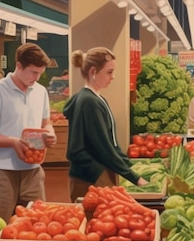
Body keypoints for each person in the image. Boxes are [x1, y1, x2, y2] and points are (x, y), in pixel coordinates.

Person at [0, 42, 57, 222]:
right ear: (19, 66)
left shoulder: (41, 92)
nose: (37, 78)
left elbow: (46, 123)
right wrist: (13, 142)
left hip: (33, 171)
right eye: (33, 72)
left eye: (40, 73)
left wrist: (49, 133)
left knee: (36, 225)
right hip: (1, 171)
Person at [63, 46, 147, 202]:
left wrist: (127, 162)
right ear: (93, 72)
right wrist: (135, 178)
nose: (113, 77)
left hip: (96, 171)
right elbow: (104, 147)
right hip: (91, 175)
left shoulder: (95, 99)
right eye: (109, 72)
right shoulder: (89, 102)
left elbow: (110, 141)